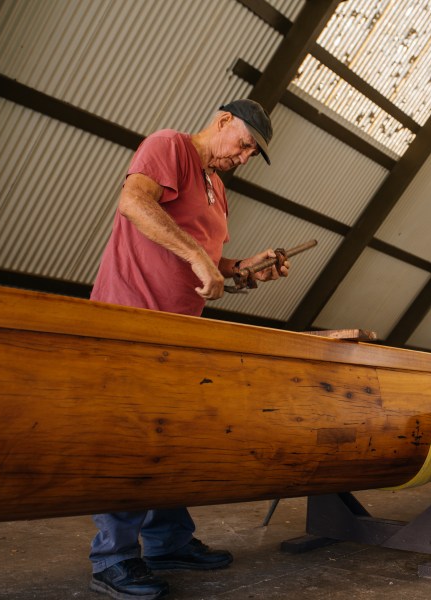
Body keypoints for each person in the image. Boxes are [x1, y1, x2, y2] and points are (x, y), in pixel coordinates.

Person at [88, 99, 288, 600]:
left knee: (172, 441)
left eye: (252, 153)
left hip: (178, 334)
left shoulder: (216, 187)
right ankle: (113, 559)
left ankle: (168, 543)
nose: (244, 157)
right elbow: (134, 203)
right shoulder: (170, 146)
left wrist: (243, 268)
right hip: (131, 320)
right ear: (223, 122)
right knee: (131, 441)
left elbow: (207, 260)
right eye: (244, 144)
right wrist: (200, 256)